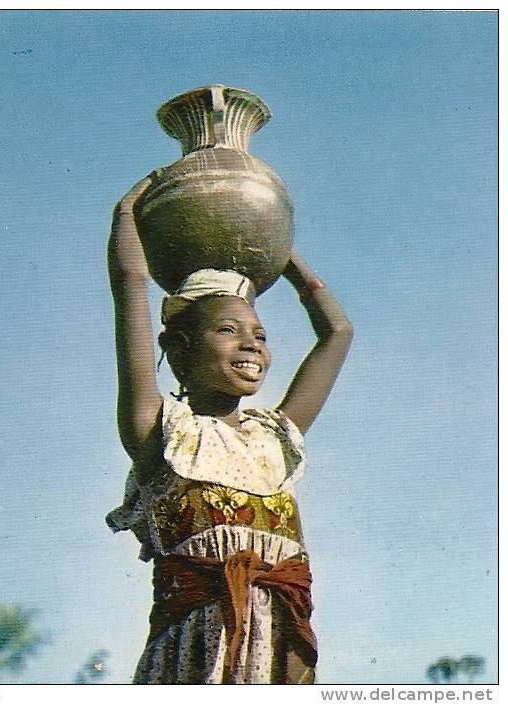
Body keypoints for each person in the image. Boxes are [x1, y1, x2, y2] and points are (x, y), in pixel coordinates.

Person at [105, 176, 353, 684]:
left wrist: (286, 258)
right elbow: (130, 287)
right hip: (195, 649)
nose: (251, 345)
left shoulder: (274, 437)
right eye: (227, 330)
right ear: (178, 352)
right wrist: (126, 214)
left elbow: (338, 333)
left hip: (280, 646)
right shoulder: (162, 433)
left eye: (259, 334)